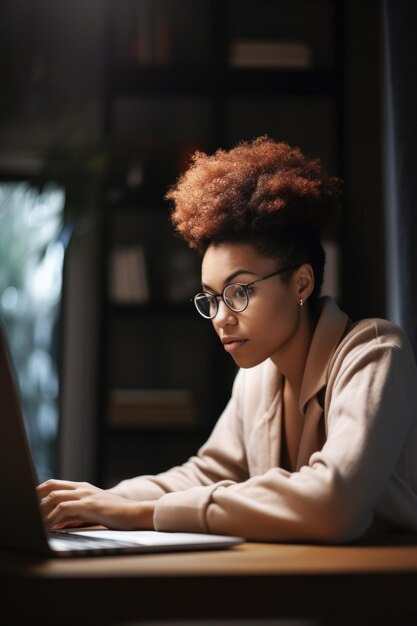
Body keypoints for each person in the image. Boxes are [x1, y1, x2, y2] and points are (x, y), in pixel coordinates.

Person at [37, 136, 417, 543]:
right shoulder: (257, 378)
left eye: (240, 292)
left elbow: (334, 505)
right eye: (211, 298)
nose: (220, 318)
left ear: (301, 283)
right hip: (309, 587)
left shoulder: (374, 353)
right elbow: (205, 474)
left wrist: (140, 513)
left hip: (389, 590)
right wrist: (99, 501)